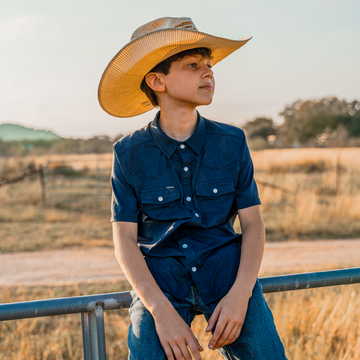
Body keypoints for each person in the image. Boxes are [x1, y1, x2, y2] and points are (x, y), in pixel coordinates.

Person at [98, 16, 287, 360]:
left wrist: (241, 295)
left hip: (229, 277)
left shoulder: (233, 142)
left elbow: (254, 224)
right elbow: (124, 239)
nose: (208, 73)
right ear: (157, 80)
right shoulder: (127, 153)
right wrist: (160, 312)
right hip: (161, 285)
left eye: (209, 65)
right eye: (192, 65)